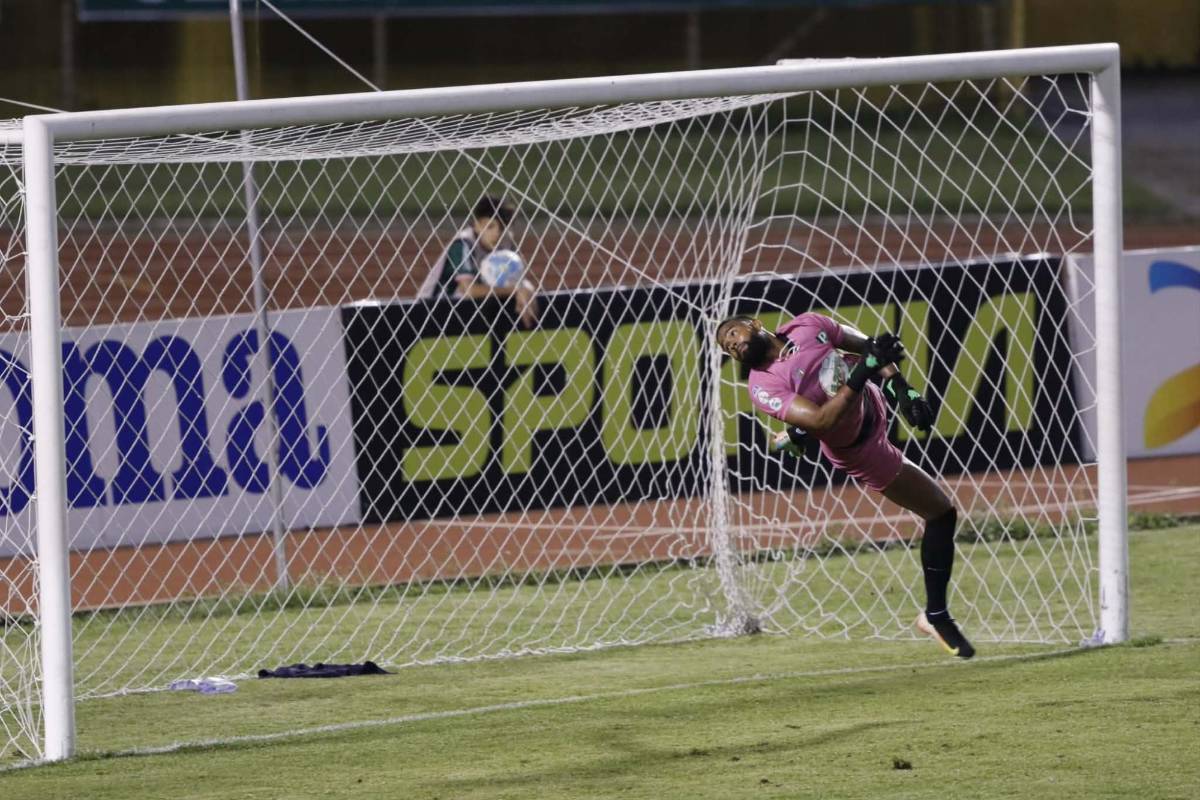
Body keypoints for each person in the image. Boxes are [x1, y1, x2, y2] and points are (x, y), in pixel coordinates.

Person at [716, 311, 975, 659]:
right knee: (941, 513)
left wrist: (903, 389)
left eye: (732, 332)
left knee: (812, 415)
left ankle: (792, 434)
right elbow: (824, 420)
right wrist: (861, 372)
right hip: (861, 448)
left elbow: (871, 349)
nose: (731, 343)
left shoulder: (808, 324)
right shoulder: (762, 385)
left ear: (755, 324)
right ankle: (935, 616)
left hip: (871, 405)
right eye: (726, 346)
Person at [417, 195, 539, 329]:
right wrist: (516, 290)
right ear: (477, 225)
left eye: (504, 228)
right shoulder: (463, 244)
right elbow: (469, 290)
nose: (497, 234)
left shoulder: (505, 245)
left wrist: (528, 289)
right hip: (431, 310)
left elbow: (519, 280)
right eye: (490, 226)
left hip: (463, 312)